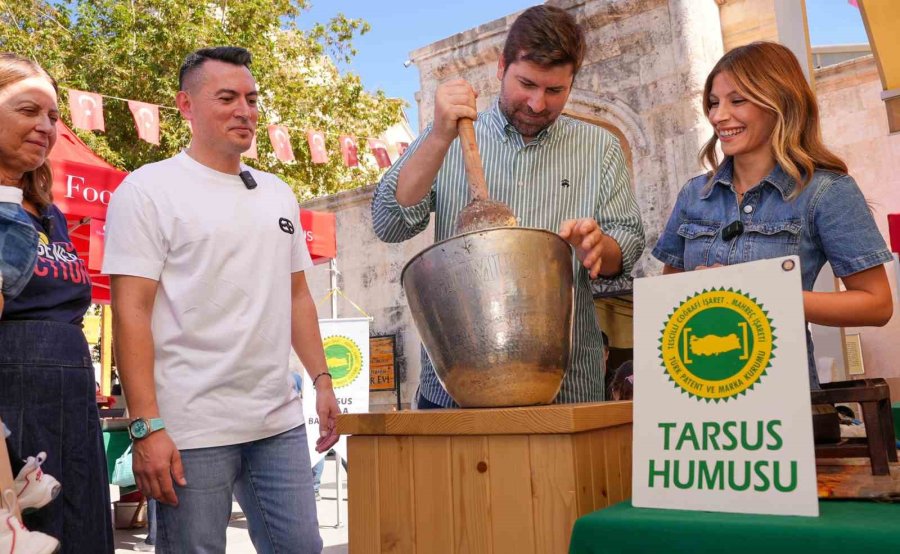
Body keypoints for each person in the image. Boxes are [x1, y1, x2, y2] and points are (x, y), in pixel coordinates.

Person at [103, 46, 340, 553]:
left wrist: (322, 380)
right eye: (227, 97)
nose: (245, 110)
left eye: (252, 99)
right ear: (185, 106)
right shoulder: (146, 190)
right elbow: (130, 314)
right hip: (190, 428)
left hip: (277, 421)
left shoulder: (278, 193)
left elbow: (297, 296)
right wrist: (145, 428)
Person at [372, 5, 645, 409]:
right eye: (527, 84)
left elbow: (628, 242)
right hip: (455, 387)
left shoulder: (598, 147)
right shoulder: (447, 138)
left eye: (555, 91)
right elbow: (389, 222)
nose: (537, 103)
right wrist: (438, 137)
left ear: (572, 82)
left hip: (565, 387)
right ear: (501, 66)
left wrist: (599, 247)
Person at [652, 41, 893, 387]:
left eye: (737, 101)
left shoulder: (827, 192)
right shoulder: (694, 193)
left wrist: (761, 296)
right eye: (713, 103)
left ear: (778, 102)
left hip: (783, 396)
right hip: (697, 391)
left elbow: (877, 305)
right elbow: (670, 294)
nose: (718, 116)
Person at [0, 52, 114, 552]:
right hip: (14, 406)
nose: (45, 127)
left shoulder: (52, 215)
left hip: (72, 403)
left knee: (81, 535)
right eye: (29, 110)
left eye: (52, 116)